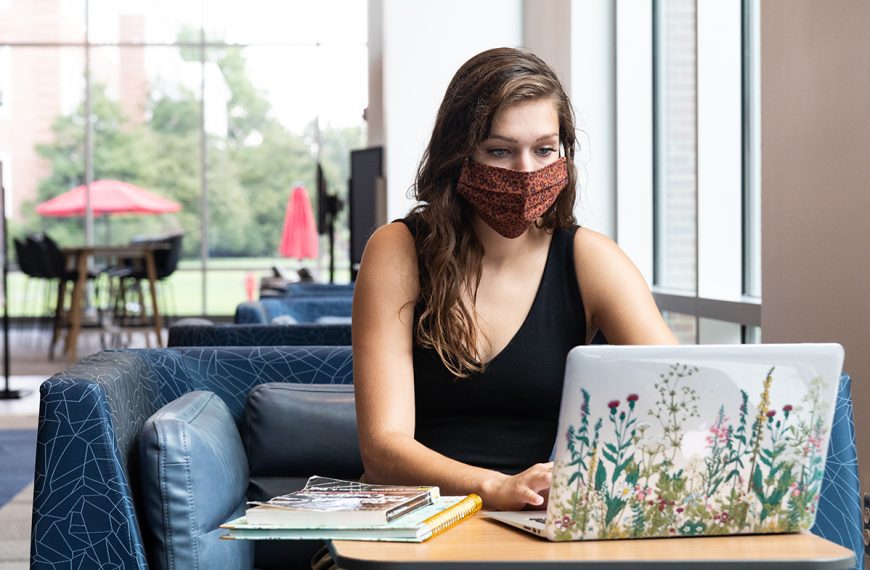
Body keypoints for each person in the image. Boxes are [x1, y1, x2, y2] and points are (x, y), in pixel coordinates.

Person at [352, 47, 676, 512]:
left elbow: (682, 390)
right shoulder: (397, 251)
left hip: (528, 522)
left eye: (544, 150)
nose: (527, 172)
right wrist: (492, 487)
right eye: (500, 151)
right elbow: (383, 450)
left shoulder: (590, 258)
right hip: (409, 516)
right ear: (459, 154)